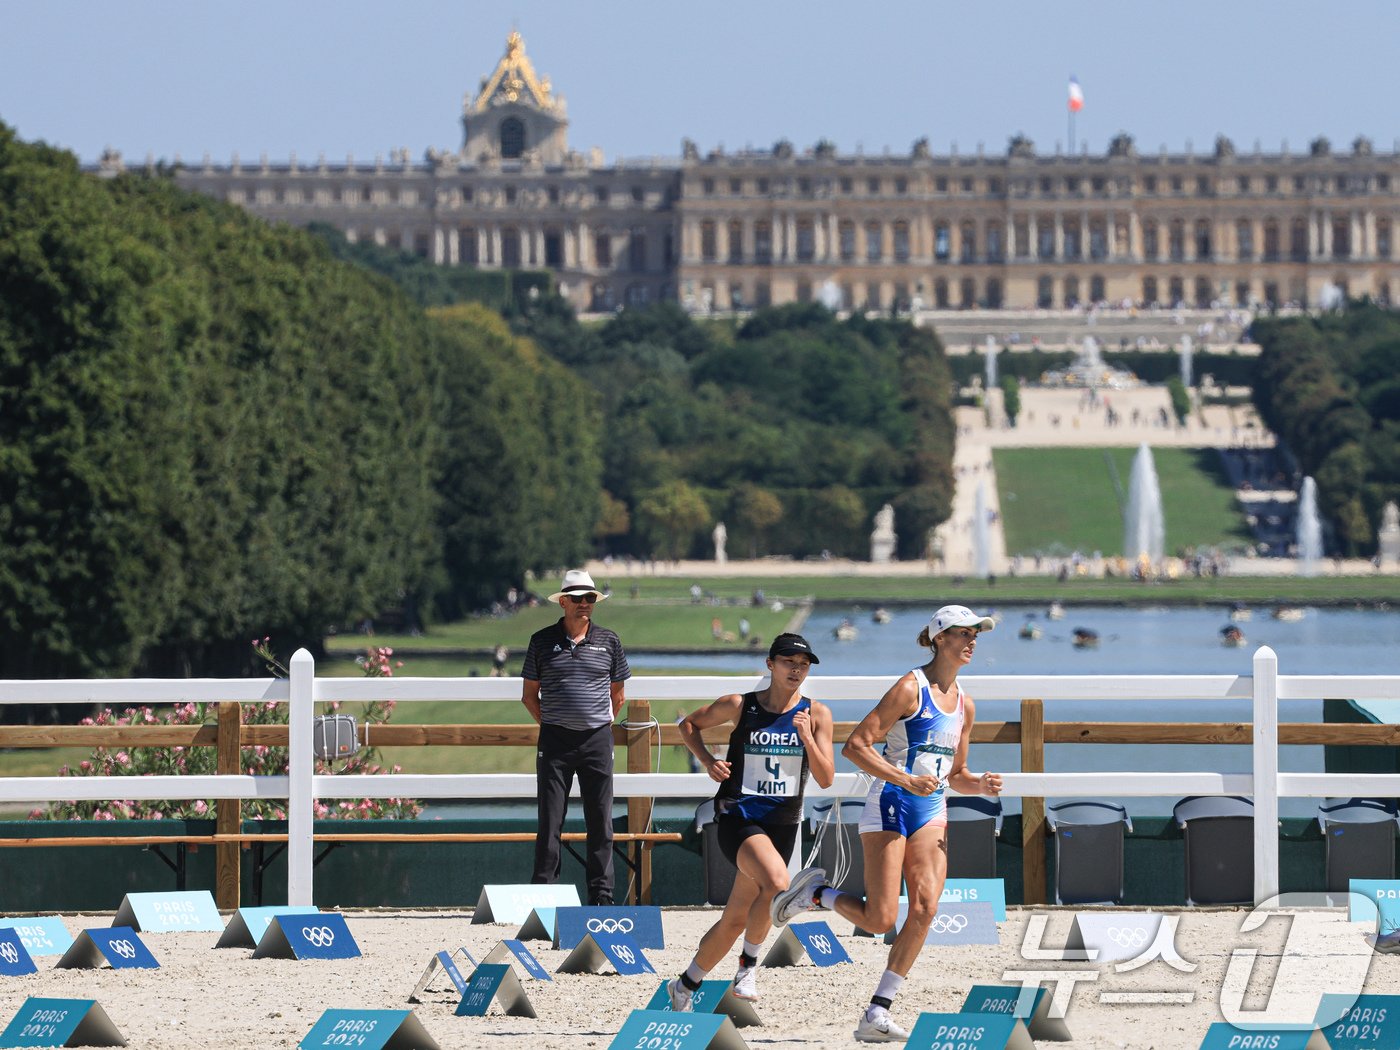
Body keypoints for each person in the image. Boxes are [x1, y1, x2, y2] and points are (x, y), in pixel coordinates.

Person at [768, 605, 1003, 1043]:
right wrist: (905, 778)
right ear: (939, 638)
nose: (972, 642)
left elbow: (957, 775)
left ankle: (878, 1010)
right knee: (878, 919)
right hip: (892, 801)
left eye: (976, 635)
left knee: (926, 907)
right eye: (963, 634)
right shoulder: (910, 689)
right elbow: (856, 747)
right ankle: (816, 894)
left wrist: (981, 784)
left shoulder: (965, 704)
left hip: (931, 809)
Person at [667, 634, 835, 1011]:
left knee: (735, 919)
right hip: (738, 816)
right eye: (788, 661)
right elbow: (688, 725)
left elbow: (825, 778)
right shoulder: (740, 705)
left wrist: (807, 738)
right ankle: (747, 967)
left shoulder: (817, 714)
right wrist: (709, 761)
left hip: (783, 825)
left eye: (803, 664)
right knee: (777, 882)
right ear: (770, 664)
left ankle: (684, 986)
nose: (796, 669)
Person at [521, 568, 631, 906]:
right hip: (555, 743)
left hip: (597, 740)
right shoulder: (541, 641)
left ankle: (601, 895)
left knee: (601, 820)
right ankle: (544, 893)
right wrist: (553, 721)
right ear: (564, 602)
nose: (585, 604)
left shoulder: (609, 640)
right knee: (550, 819)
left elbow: (619, 693)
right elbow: (529, 695)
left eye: (591, 598)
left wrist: (595, 721)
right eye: (578, 599)